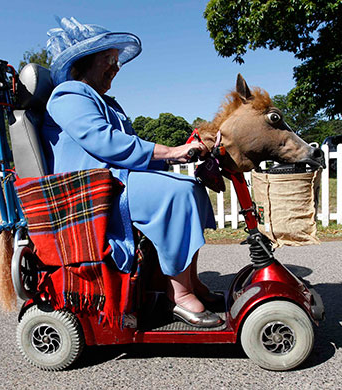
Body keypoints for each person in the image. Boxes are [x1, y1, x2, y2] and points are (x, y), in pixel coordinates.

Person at [41, 17, 221, 327]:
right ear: (83, 63)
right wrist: (171, 152)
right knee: (178, 194)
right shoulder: (69, 95)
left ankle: (188, 281)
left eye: (116, 60)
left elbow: (129, 151)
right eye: (108, 60)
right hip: (90, 190)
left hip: (114, 181)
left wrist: (178, 155)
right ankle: (178, 295)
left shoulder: (103, 101)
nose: (116, 67)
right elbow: (106, 143)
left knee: (190, 187)